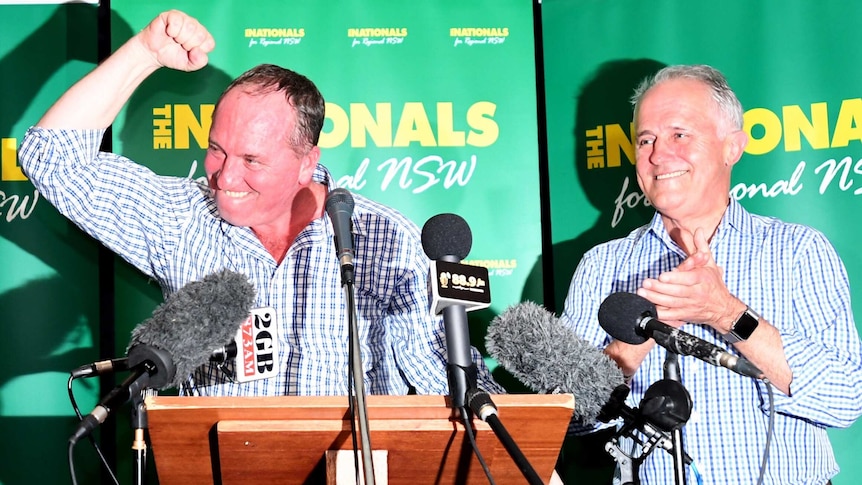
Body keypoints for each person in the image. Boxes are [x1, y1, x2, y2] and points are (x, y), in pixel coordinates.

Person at [18, 10, 502, 397]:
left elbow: (451, 383)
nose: (225, 177)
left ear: (306, 163)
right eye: (216, 149)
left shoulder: (386, 240)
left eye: (252, 159)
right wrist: (144, 51)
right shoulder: (183, 218)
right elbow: (50, 158)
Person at [560, 64, 862, 484]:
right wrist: (645, 332)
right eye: (645, 139)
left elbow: (846, 397)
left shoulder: (797, 250)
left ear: (732, 147)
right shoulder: (602, 266)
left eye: (679, 134)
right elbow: (568, 418)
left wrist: (726, 313)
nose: (658, 154)